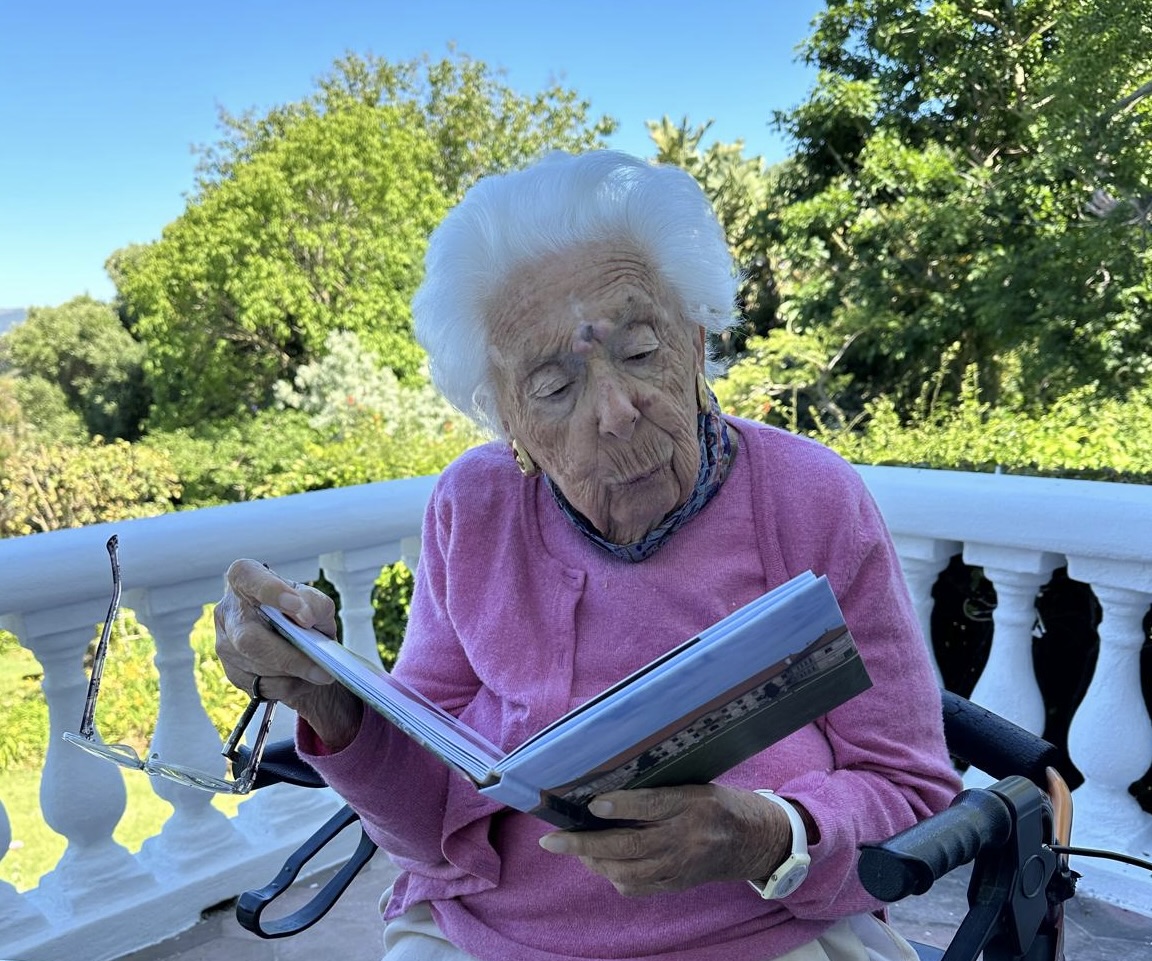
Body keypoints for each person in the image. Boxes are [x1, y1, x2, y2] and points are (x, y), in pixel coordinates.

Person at [214, 150, 961, 961]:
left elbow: (912, 794)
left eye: (641, 351)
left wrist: (763, 834)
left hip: (763, 934)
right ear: (505, 418)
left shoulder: (808, 496)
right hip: (491, 937)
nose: (616, 410)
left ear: (699, 336)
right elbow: (428, 830)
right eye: (554, 386)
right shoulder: (475, 507)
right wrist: (331, 704)